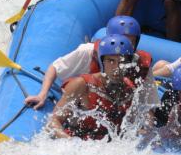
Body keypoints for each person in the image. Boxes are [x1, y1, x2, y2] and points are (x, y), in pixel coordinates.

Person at [24, 16, 157, 109]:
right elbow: (55, 67)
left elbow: (149, 104)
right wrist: (42, 94)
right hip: (87, 101)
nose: (125, 45)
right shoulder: (87, 51)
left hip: (115, 106)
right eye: (122, 39)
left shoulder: (140, 63)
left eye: (131, 42)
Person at [47, 35, 136, 140]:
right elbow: (53, 122)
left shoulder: (130, 90)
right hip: (79, 144)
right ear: (102, 62)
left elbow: (131, 127)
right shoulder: (82, 85)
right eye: (111, 61)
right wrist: (69, 142)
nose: (117, 68)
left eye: (122, 62)